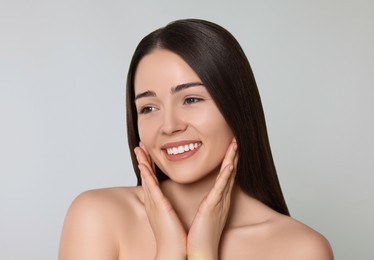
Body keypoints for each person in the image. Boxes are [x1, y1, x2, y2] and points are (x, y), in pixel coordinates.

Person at [59, 19, 333, 260]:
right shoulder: (98, 217)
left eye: (191, 99)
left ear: (236, 107)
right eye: (149, 108)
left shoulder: (300, 250)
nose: (169, 126)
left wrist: (203, 252)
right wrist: (169, 250)